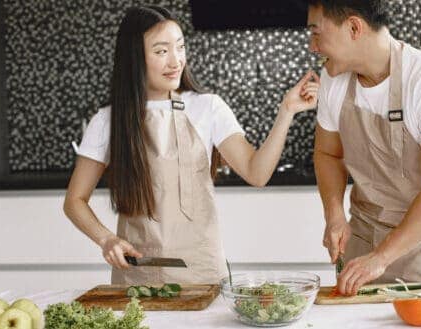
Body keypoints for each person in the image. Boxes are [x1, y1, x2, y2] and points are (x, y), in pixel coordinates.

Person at [63, 5, 319, 285]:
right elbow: (74, 201)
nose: (176, 61)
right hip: (137, 274)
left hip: (202, 272)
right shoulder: (108, 120)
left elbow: (256, 174)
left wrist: (287, 112)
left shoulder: (208, 107)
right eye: (161, 51)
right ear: (134, 58)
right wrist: (106, 239)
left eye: (180, 47)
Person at [306, 0, 421, 295]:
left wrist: (382, 257)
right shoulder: (335, 82)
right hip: (361, 241)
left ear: (354, 27)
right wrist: (334, 214)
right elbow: (328, 153)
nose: (312, 46)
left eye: (317, 33)